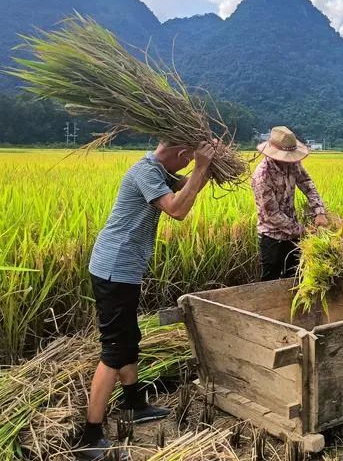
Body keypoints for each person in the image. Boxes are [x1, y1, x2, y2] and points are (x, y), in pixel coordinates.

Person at [77, 141, 216, 460]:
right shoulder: (145, 172)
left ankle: (133, 404)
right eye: (187, 158)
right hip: (114, 269)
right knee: (114, 349)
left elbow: (188, 189)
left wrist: (208, 167)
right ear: (180, 152)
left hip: (125, 269)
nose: (186, 165)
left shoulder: (161, 171)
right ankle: (90, 437)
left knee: (130, 338)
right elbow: (178, 210)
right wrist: (201, 167)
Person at [251, 126, 328, 281]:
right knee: (270, 281)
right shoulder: (262, 176)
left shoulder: (293, 164)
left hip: (292, 234)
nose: (289, 160)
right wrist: (302, 230)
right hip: (271, 236)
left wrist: (319, 211)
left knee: (294, 277)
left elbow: (306, 183)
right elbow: (272, 215)